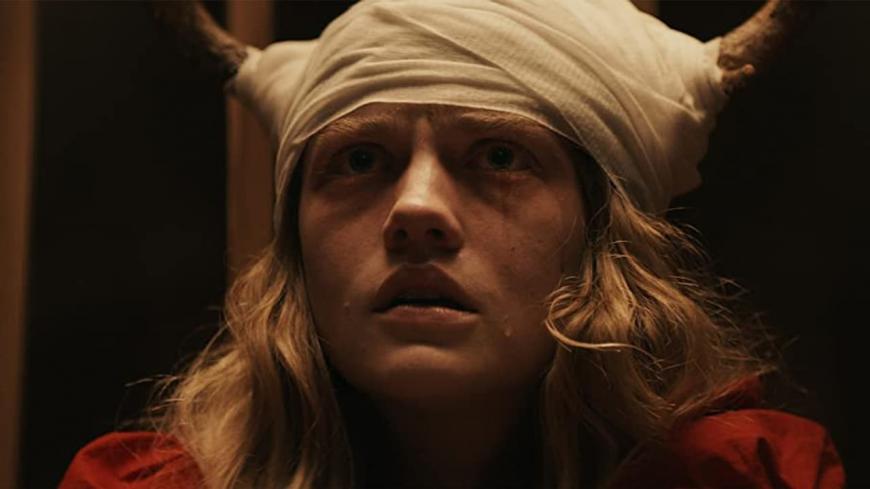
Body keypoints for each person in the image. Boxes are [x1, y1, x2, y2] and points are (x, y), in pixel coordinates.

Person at [61, 1, 844, 488]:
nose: (416, 208)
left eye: (499, 156)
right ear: (295, 243)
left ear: (602, 234)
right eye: (359, 160)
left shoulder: (744, 477)